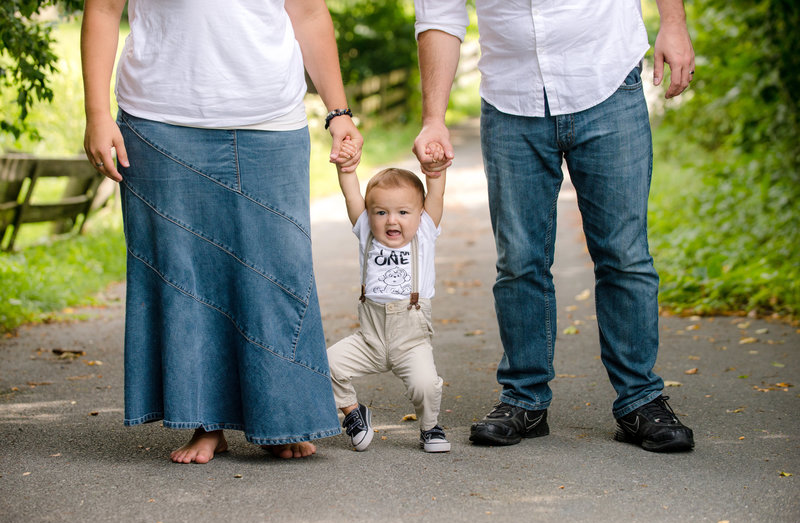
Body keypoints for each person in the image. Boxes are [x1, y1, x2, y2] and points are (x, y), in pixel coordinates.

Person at [81, 0, 363, 463]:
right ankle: (205, 423)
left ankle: (281, 418)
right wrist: (97, 112)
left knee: (278, 273)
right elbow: (105, 8)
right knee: (185, 279)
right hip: (161, 120)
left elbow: (309, 13)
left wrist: (339, 112)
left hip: (271, 120)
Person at [412, 0, 696, 452]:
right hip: (510, 96)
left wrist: (674, 24)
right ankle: (524, 398)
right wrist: (434, 118)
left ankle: (640, 399)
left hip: (605, 76)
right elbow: (439, 16)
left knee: (624, 254)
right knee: (519, 259)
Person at [326, 138, 450, 453]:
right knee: (326, 363)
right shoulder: (367, 229)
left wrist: (435, 171)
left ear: (420, 214)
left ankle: (429, 427)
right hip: (371, 337)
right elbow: (351, 193)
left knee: (425, 385)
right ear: (370, 214)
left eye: (403, 212)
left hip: (411, 339)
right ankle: (353, 413)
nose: (391, 220)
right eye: (381, 212)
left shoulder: (424, 231)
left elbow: (436, 193)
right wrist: (347, 167)